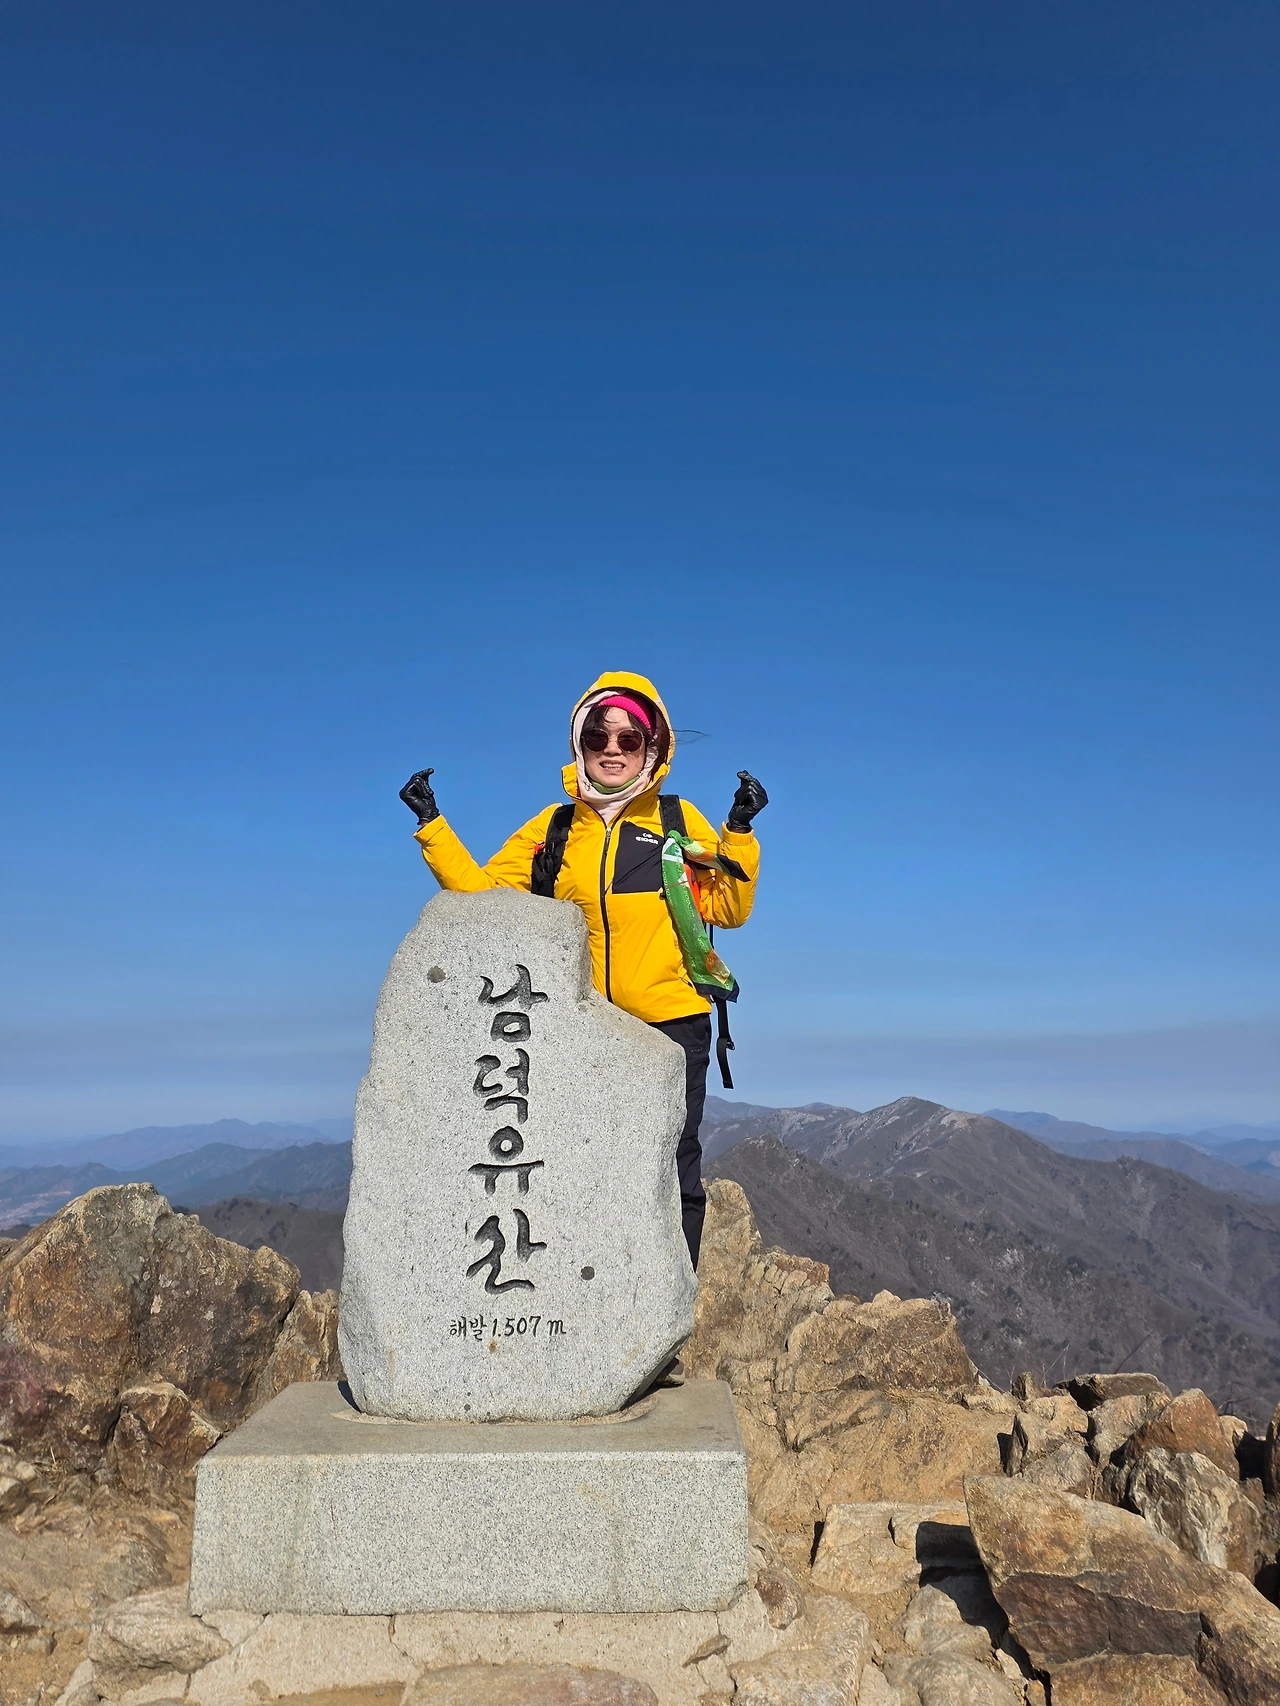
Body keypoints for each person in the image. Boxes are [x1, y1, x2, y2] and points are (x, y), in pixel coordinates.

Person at [398, 670, 767, 1268]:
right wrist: (432, 827)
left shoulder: (677, 821)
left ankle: (670, 1305)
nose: (612, 749)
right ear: (579, 744)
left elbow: (728, 907)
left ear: (654, 747)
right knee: (585, 1165)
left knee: (674, 1164)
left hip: (673, 1022)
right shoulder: (554, 829)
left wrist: (739, 832)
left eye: (630, 738)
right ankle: (597, 1297)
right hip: (584, 1029)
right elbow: (485, 899)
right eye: (598, 736)